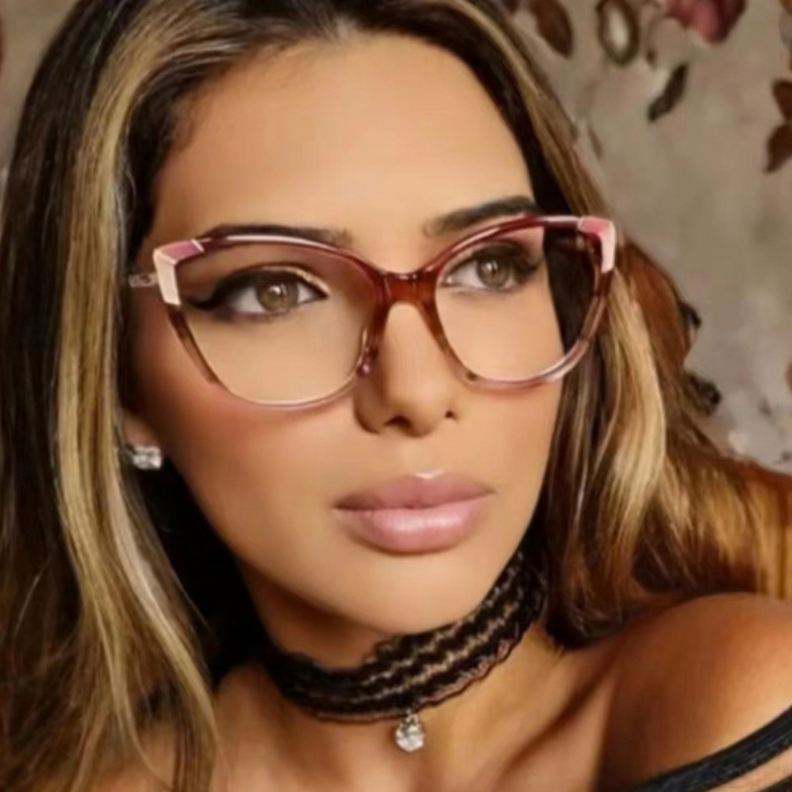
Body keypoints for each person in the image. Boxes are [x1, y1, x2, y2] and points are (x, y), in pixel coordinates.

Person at [0, 1, 791, 790]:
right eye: (276, 291)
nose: (416, 390)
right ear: (117, 378)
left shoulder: (733, 700)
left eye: (489, 266)